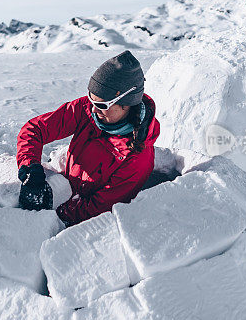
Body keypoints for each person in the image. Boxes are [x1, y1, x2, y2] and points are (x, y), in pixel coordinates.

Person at [16, 50, 160, 226]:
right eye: (92, 101)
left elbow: (99, 207)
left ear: (127, 104)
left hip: (82, 225)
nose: (93, 109)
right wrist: (30, 168)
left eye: (101, 105)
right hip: (67, 192)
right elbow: (35, 129)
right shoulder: (86, 110)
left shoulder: (137, 156)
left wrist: (54, 211)